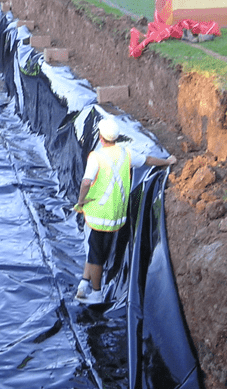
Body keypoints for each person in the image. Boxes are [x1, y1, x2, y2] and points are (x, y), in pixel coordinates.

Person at [74, 117, 177, 304]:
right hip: (116, 214)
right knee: (94, 248)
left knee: (96, 253)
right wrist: (167, 161)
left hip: (98, 214)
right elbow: (148, 160)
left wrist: (81, 202)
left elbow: (86, 182)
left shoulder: (96, 157)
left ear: (100, 137)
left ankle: (96, 293)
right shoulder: (126, 154)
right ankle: (84, 283)